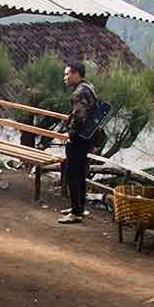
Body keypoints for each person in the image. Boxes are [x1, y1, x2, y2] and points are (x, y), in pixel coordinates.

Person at [60, 61, 96, 225]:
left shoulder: (80, 93)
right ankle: (79, 207)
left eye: (67, 74)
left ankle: (76, 213)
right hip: (88, 138)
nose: (65, 78)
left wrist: (70, 134)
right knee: (80, 173)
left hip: (79, 139)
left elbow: (79, 116)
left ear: (76, 74)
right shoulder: (89, 88)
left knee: (72, 173)